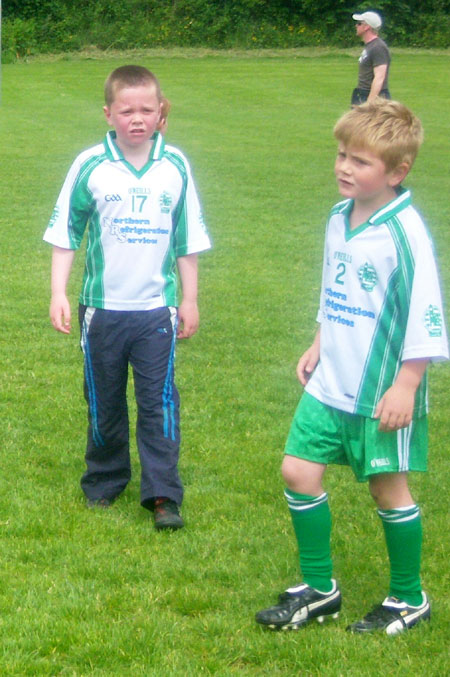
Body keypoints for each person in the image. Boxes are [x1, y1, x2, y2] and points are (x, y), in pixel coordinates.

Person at [255, 99, 448, 634]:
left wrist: (408, 384)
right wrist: (319, 339)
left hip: (380, 390)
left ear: (397, 170)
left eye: (360, 161)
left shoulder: (406, 234)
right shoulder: (338, 217)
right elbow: (331, 286)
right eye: (342, 155)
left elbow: (426, 314)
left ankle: (409, 597)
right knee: (297, 470)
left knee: (387, 489)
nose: (345, 167)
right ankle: (320, 589)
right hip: (330, 379)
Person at [44, 65, 211, 531]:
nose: (137, 118)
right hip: (102, 311)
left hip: (157, 310)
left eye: (146, 109)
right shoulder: (91, 164)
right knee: (104, 399)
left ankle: (162, 494)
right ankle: (104, 480)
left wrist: (191, 300)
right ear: (108, 114)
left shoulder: (174, 165)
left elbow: (188, 239)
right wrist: (58, 291)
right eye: (126, 110)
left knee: (158, 401)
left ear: (162, 113)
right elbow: (66, 232)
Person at [351, 11, 391, 105]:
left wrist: (370, 103)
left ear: (367, 27)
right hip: (362, 93)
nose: (356, 26)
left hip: (375, 97)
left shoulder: (378, 47)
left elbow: (379, 77)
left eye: (359, 23)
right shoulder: (370, 46)